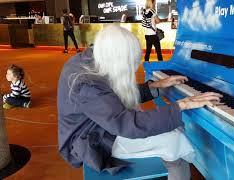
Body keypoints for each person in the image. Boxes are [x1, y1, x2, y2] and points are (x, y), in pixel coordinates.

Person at [57, 25, 221, 179]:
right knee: (175, 141)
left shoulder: (92, 57)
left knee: (171, 130)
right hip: (92, 141)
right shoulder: (86, 83)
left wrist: (153, 87)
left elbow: (108, 99)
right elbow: (127, 124)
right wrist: (182, 105)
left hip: (101, 127)